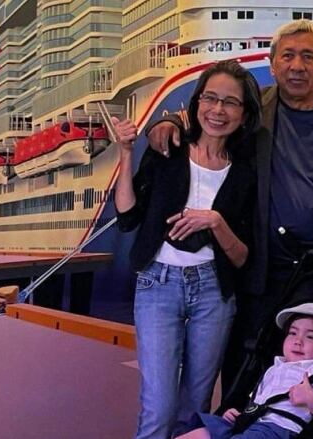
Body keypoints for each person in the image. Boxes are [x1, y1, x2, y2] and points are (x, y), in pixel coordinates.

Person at [145, 19, 313, 397]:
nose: (297, 66)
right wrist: (168, 120)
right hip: (261, 269)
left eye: (308, 57)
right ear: (272, 65)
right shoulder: (251, 114)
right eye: (287, 56)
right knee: (243, 371)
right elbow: (208, 120)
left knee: (311, 382)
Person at [113, 59, 262, 438]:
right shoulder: (168, 148)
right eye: (210, 98)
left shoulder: (245, 172)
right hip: (158, 284)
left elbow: (243, 256)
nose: (218, 110)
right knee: (159, 407)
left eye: (230, 102)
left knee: (195, 409)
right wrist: (126, 153)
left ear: (244, 115)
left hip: (214, 290)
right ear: (196, 103)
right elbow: (128, 217)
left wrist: (214, 221)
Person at [176, 303, 313, 439]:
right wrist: (241, 415)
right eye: (292, 333)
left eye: (310, 337)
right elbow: (259, 401)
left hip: (277, 429)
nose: (298, 341)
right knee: (195, 434)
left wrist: (311, 400)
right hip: (251, 421)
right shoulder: (274, 367)